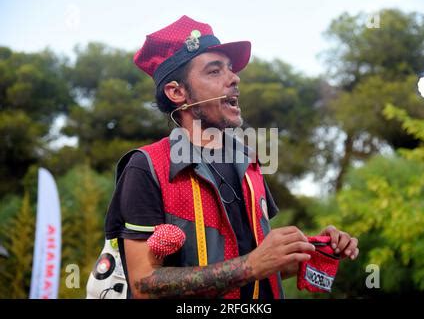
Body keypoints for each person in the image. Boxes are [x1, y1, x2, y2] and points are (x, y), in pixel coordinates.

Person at [103, 15, 359, 299]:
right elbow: (143, 285)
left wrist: (310, 250)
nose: (234, 78)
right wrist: (252, 265)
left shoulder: (249, 162)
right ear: (177, 92)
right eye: (214, 71)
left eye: (230, 69)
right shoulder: (146, 167)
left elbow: (260, 268)